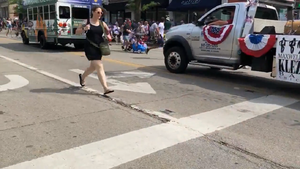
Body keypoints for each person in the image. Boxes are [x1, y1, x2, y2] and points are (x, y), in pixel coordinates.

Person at [75, 5, 114, 95]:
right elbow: (77, 31)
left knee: (93, 67)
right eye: (98, 12)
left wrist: (108, 36)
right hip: (90, 47)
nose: (100, 14)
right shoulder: (86, 22)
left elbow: (108, 32)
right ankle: (105, 88)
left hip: (99, 47)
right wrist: (84, 29)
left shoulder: (102, 23)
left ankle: (82, 78)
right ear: (93, 12)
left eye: (101, 13)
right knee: (99, 65)